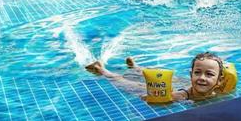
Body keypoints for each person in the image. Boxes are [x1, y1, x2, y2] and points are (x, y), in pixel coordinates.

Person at [86, 52, 229, 102]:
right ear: (191, 75)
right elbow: (148, 97)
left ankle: (135, 68)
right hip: (170, 90)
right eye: (197, 73)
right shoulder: (181, 96)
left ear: (219, 80)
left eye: (209, 74)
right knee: (132, 85)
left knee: (168, 78)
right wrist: (148, 97)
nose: (202, 77)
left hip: (180, 84)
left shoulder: (221, 91)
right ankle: (101, 69)